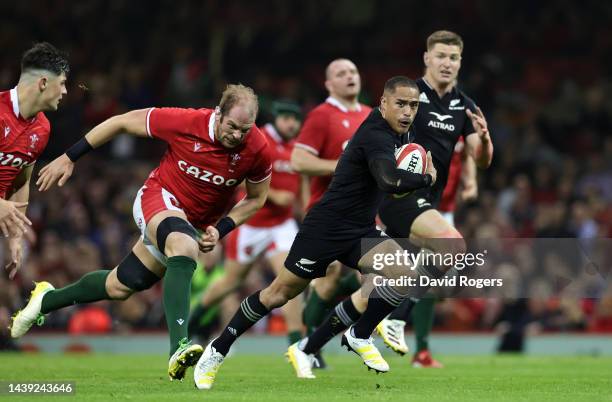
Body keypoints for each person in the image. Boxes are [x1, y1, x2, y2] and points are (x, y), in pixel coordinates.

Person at [193, 76, 442, 390]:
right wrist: (427, 179)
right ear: (383, 104)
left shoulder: (399, 132)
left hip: (359, 229)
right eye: (401, 104)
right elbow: (390, 181)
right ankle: (217, 350)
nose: (408, 111)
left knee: (403, 273)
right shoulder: (377, 135)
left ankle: (359, 334)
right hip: (325, 228)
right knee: (278, 294)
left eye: (414, 105)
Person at [11, 84, 273, 382]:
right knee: (183, 246)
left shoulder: (257, 148)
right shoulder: (185, 122)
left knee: (121, 285)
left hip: (193, 224)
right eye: (232, 126)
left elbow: (256, 198)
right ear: (218, 113)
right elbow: (121, 121)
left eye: (245, 129)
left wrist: (222, 227)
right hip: (159, 198)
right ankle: (178, 347)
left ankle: (45, 300)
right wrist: (70, 157)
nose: (237, 135)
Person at [288, 30, 493, 378]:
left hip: (428, 202)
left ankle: (306, 347)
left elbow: (481, 158)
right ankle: (394, 323)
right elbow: (372, 136)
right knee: (452, 246)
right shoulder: (406, 95)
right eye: (440, 55)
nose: (447, 63)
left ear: (460, 62)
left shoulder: (465, 106)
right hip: (398, 197)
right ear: (426, 58)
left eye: (453, 57)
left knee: (371, 294)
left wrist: (485, 140)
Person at [188, 100, 304, 346]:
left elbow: (302, 184)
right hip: (251, 224)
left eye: (295, 119)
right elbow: (235, 179)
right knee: (230, 282)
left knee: (291, 279)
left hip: (282, 225)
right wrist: (274, 195)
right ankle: (193, 323)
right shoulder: (258, 141)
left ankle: (298, 346)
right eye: (286, 117)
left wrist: (304, 210)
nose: (291, 123)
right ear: (276, 118)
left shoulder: (298, 148)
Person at [292, 59, 371, 365]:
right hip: (329, 212)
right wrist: (339, 166)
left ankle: (312, 343)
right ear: (329, 84)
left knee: (383, 274)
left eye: (353, 71)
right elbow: (299, 161)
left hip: (364, 212)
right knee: (329, 276)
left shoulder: (369, 116)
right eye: (341, 73)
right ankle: (310, 345)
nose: (350, 76)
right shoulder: (321, 116)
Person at [377, 137, 477, 368]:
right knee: (395, 275)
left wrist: (471, 179)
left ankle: (395, 323)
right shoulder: (414, 122)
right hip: (414, 202)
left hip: (442, 208)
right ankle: (419, 350)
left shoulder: (462, 116)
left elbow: (475, 156)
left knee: (441, 288)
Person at [0, 42, 69, 279]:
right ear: (43, 83)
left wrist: (15, 237)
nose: (65, 91)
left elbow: (20, 181)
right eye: (62, 83)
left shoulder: (42, 129)